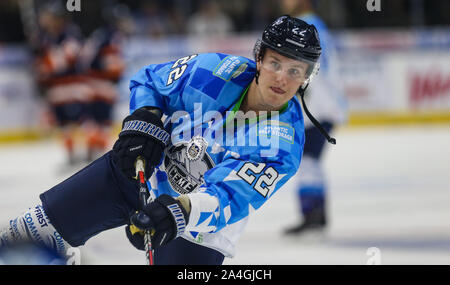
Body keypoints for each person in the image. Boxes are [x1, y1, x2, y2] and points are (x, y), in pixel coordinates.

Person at [0, 15, 332, 265]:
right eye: (276, 63)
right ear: (259, 58)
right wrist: (144, 117)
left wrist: (179, 210)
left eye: (295, 70)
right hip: (136, 172)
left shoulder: (282, 144)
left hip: (196, 226)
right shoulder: (213, 70)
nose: (282, 78)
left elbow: (226, 198)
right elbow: (150, 81)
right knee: (23, 237)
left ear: (307, 76)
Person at [281, 0, 347, 236]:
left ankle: (312, 215)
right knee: (311, 161)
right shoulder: (315, 25)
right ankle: (317, 215)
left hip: (318, 106)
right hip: (324, 105)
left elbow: (311, 66)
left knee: (307, 160)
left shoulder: (304, 27)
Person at [33, 3, 87, 165]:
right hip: (57, 88)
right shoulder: (45, 37)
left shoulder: (70, 34)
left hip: (72, 86)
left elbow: (66, 59)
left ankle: (92, 150)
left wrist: (45, 65)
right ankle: (71, 154)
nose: (46, 21)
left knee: (80, 119)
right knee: (63, 123)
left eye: (49, 17)